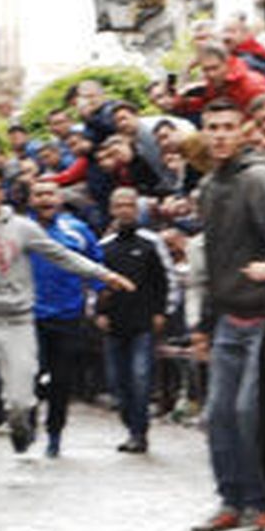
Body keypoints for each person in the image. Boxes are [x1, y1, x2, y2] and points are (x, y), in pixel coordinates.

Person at [0, 167, 131, 486]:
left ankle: (21, 429)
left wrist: (104, 275)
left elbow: (63, 256)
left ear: (1, 193)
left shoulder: (22, 228)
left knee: (20, 399)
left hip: (19, 323)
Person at [191, 100, 265, 531]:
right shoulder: (209, 187)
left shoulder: (259, 178)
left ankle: (261, 503)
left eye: (227, 127)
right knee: (217, 414)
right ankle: (230, 500)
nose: (219, 135)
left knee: (248, 411)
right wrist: (203, 325)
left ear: (243, 130)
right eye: (212, 127)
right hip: (228, 319)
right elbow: (212, 263)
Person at [27, 179, 104, 459]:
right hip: (29, 317)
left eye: (50, 193)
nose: (45, 199)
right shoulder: (21, 230)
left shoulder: (78, 230)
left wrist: (98, 298)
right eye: (39, 194)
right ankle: (28, 418)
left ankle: (55, 432)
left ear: (59, 198)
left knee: (61, 380)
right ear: (31, 200)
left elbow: (96, 265)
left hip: (69, 316)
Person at [97, 188, 169, 454]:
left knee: (140, 377)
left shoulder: (150, 243)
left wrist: (162, 312)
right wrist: (98, 312)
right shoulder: (104, 247)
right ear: (112, 209)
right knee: (118, 382)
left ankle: (140, 432)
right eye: (119, 205)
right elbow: (95, 282)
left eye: (130, 205)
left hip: (143, 322)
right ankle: (130, 426)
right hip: (114, 323)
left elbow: (164, 280)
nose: (125, 210)